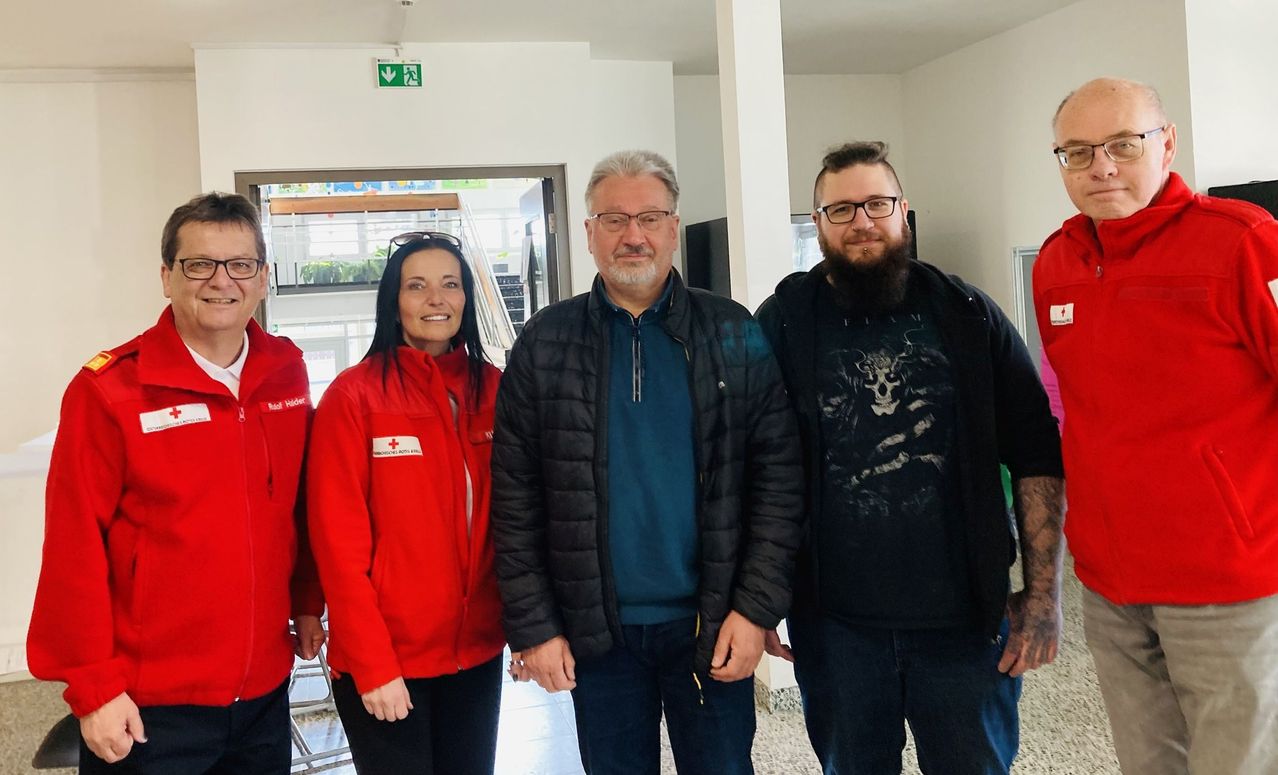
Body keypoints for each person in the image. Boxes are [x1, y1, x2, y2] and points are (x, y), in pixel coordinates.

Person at [490, 149, 804, 775]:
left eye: (650, 218)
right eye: (614, 219)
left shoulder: (732, 331)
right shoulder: (545, 342)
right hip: (595, 635)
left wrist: (756, 609)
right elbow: (515, 496)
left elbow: (778, 479)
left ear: (673, 228)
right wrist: (534, 626)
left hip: (710, 626)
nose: (633, 236)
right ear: (589, 233)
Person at [756, 142, 1065, 775]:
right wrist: (757, 598)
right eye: (840, 209)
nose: (861, 221)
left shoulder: (969, 314)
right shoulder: (784, 322)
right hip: (835, 625)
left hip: (964, 623)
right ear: (816, 224)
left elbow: (1036, 452)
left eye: (876, 203)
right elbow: (753, 464)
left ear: (904, 212)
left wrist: (1042, 596)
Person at [26, 192, 325, 774]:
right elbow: (73, 545)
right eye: (199, 264)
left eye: (240, 264)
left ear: (262, 279)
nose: (222, 281)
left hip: (264, 689)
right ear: (167, 277)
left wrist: (307, 601)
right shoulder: (110, 390)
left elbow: (295, 504)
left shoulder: (285, 370)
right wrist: (94, 689)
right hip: (150, 705)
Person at [1035, 77, 1278, 774]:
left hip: (1228, 584)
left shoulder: (1247, 242)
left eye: (1122, 144)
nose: (1101, 166)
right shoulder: (1057, 263)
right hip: (1112, 584)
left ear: (1166, 143)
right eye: (1077, 152)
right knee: (1149, 763)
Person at [306, 232, 506, 775]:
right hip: (390, 657)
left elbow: (520, 521)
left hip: (478, 652)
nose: (435, 299)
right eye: (416, 286)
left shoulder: (495, 391)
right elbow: (337, 544)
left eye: (450, 285)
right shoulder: (355, 397)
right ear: (393, 300)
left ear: (467, 299)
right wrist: (372, 665)